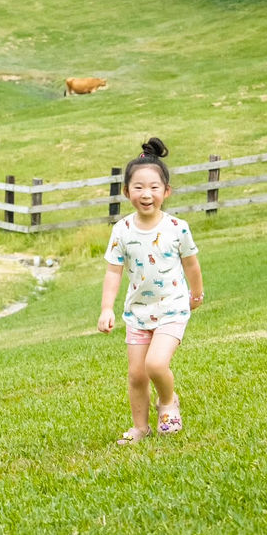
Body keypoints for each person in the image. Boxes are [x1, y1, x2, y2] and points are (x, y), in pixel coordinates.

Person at [97, 137, 204, 445]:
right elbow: (113, 271)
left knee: (155, 364)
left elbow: (192, 265)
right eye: (139, 187)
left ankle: (168, 402)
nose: (147, 194)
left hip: (172, 306)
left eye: (154, 187)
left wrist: (196, 294)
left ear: (166, 192)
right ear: (127, 191)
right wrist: (107, 308)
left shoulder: (177, 227)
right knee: (137, 375)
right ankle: (140, 427)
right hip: (138, 312)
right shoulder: (121, 231)